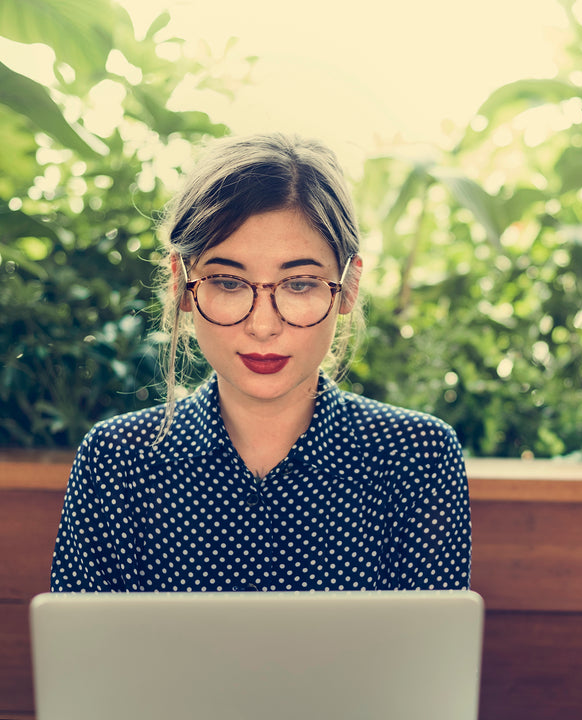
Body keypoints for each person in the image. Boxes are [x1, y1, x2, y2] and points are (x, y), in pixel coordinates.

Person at [50, 133, 472, 592]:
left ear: (348, 287)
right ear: (181, 284)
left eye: (299, 284)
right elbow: (88, 659)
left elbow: (427, 658)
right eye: (229, 282)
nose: (264, 326)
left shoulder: (416, 457)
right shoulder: (116, 462)